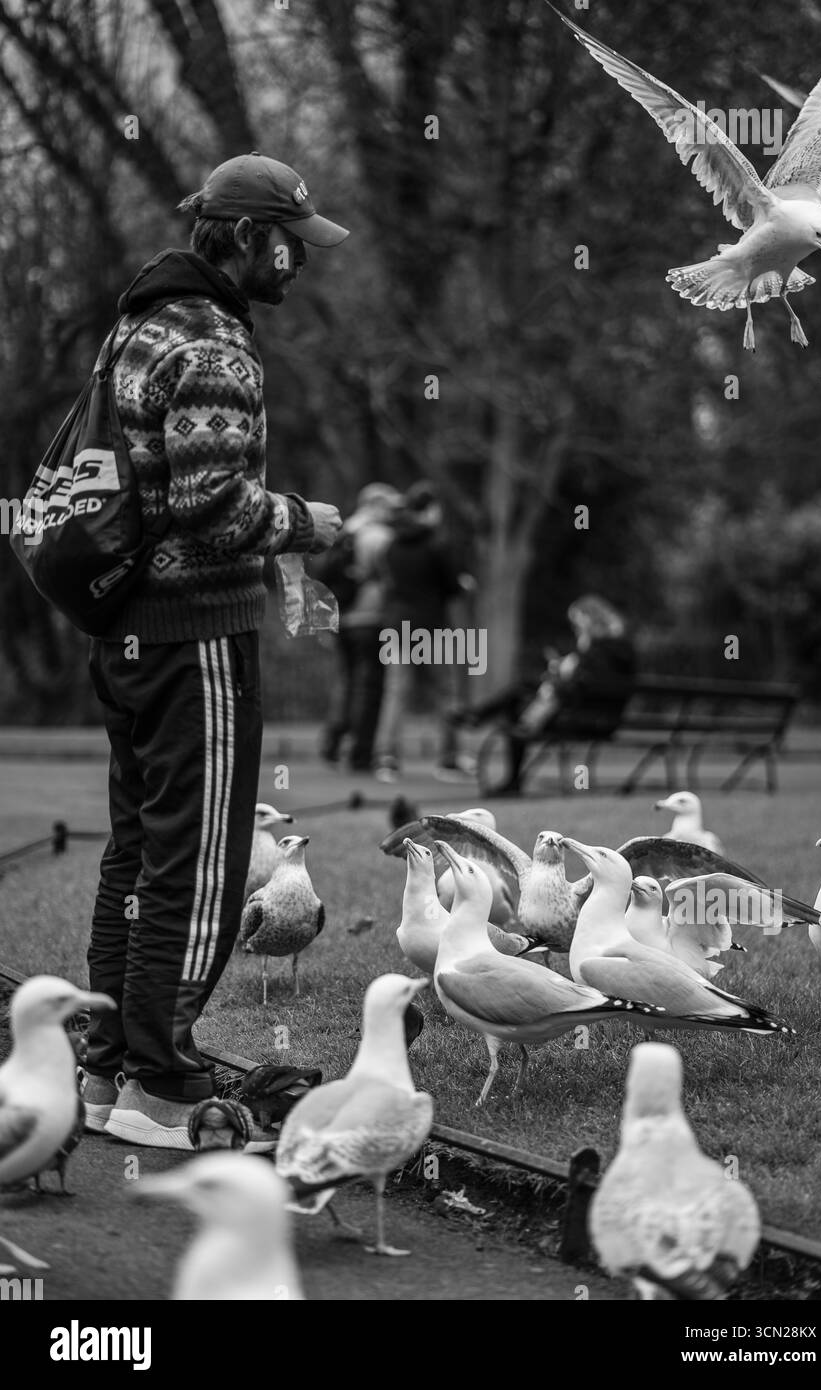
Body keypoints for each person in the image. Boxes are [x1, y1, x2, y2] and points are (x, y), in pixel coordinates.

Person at [80, 153, 347, 1149]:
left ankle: (103, 1069)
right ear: (240, 238)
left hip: (125, 628)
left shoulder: (134, 329)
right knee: (199, 862)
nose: (297, 262)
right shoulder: (214, 344)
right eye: (288, 243)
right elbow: (211, 504)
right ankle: (161, 1081)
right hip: (192, 631)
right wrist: (307, 522)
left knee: (138, 852)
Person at [453, 595, 636, 795]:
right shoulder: (622, 648)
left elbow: (581, 688)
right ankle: (481, 720)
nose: (575, 629)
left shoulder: (595, 652)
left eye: (577, 623)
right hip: (604, 719)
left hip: (583, 719)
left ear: (587, 620)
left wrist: (562, 675)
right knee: (521, 693)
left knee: (517, 708)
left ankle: (481, 723)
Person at [374, 481, 475, 782]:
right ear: (430, 510)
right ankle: (448, 758)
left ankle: (386, 758)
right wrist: (463, 585)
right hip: (431, 627)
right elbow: (451, 584)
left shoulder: (391, 544)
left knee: (395, 694)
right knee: (444, 694)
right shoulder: (436, 543)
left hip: (397, 625)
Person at [317, 482, 402, 770]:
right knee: (369, 687)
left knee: (346, 681)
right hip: (371, 616)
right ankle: (360, 751)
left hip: (343, 615)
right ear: (375, 505)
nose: (393, 512)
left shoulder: (343, 531)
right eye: (389, 507)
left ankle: (333, 740)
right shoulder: (381, 537)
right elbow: (392, 578)